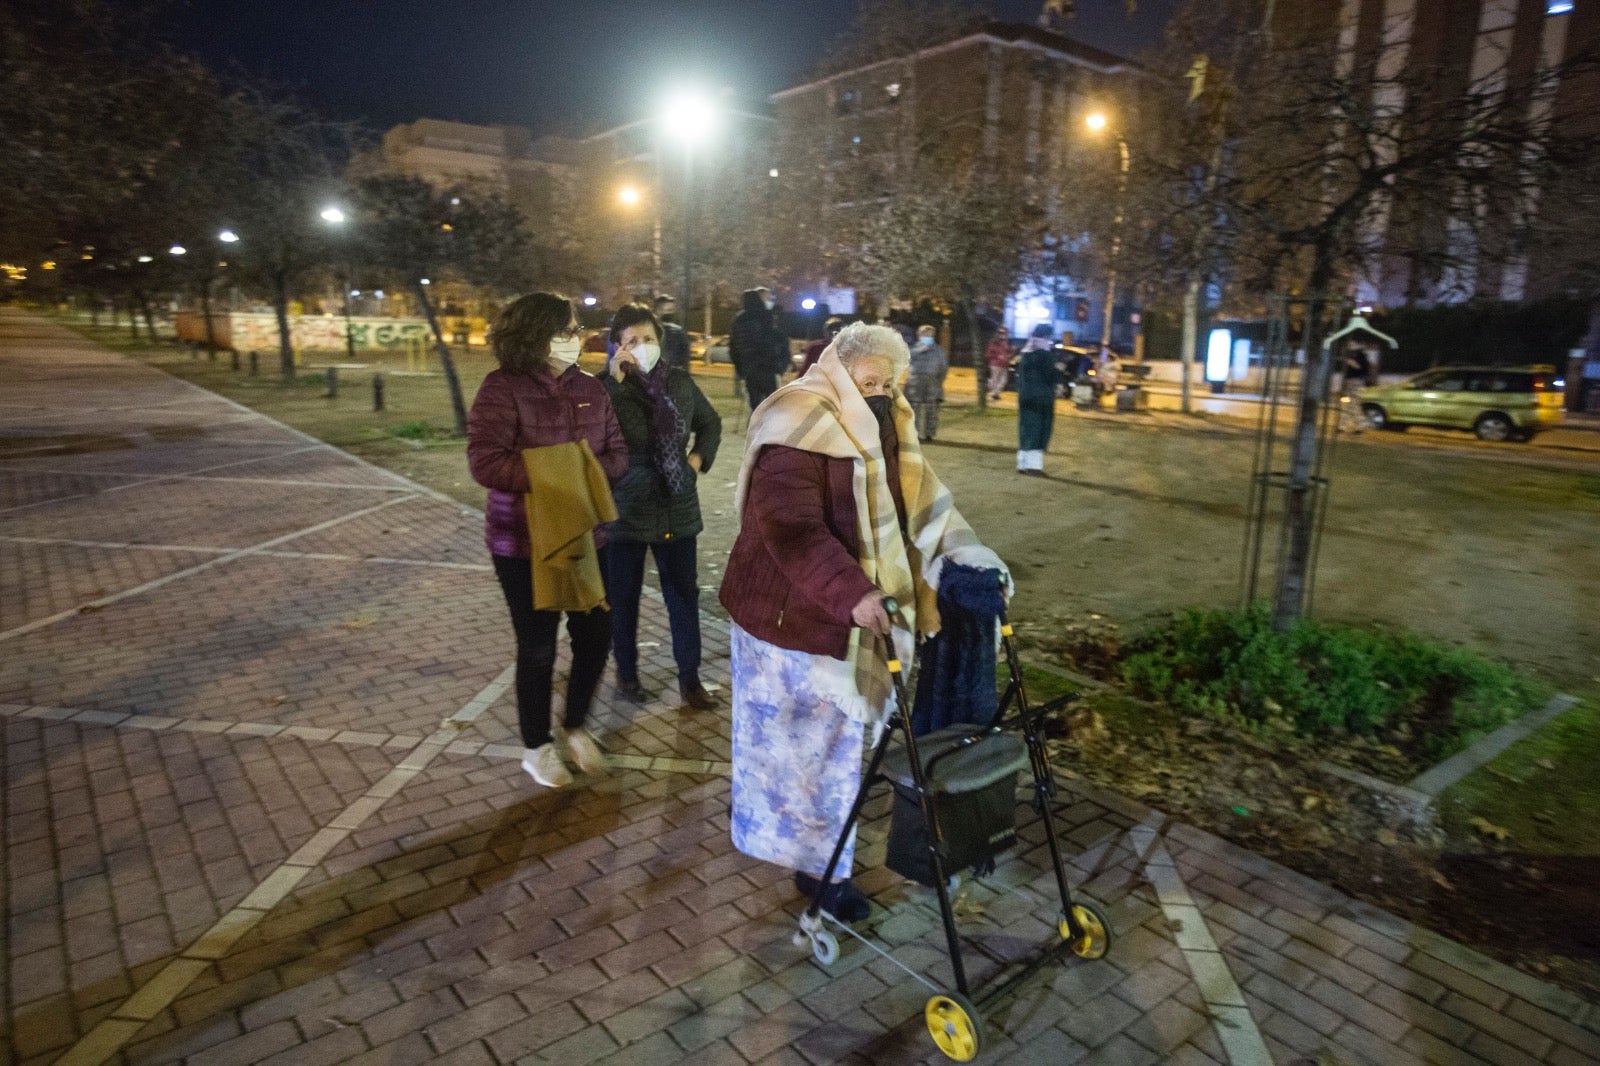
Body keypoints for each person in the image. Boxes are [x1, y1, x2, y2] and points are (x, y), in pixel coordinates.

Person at [720, 322, 1008, 920]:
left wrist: (967, 553)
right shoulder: (797, 419)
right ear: (836, 367)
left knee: (836, 753)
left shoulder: (889, 420)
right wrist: (851, 592)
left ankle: (818, 857)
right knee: (800, 755)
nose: (879, 391)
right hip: (791, 621)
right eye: (867, 379)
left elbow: (923, 499)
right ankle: (820, 872)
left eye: (888, 382)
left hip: (852, 612)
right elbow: (789, 528)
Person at [468, 293, 624, 788]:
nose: (576, 338)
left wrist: (587, 475)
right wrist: (560, 472)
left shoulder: (592, 389)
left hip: (586, 534)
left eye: (577, 329)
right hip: (522, 542)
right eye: (567, 329)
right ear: (535, 334)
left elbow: (617, 452)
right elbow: (485, 462)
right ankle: (536, 747)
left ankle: (575, 726)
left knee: (596, 635)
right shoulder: (501, 389)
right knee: (537, 647)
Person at [602, 303, 723, 710]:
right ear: (617, 347)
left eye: (648, 339)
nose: (642, 347)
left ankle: (690, 680)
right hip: (626, 507)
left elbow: (710, 423)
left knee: (683, 596)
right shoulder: (605, 389)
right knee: (623, 598)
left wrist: (695, 461)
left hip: (677, 504)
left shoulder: (680, 382)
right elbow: (602, 437)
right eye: (632, 341)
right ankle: (627, 674)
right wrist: (616, 383)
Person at [730, 287, 787, 409]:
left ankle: (756, 426)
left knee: (755, 406)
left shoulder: (739, 319)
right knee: (771, 404)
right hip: (767, 366)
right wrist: (780, 363)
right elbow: (776, 338)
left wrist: (740, 369)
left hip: (749, 367)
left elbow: (734, 347)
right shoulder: (766, 316)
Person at [1015, 324, 1061, 475]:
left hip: (1025, 397)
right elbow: (1050, 376)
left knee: (1026, 429)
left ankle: (1022, 464)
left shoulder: (1026, 353)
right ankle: (1034, 467)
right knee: (1038, 430)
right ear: (1046, 337)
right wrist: (1060, 371)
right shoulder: (1044, 355)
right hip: (1041, 399)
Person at [905, 324, 948, 441]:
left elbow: (943, 368)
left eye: (930, 334)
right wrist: (920, 349)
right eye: (924, 334)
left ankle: (930, 434)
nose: (927, 336)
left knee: (932, 409)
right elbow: (905, 362)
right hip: (915, 384)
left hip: (932, 383)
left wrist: (939, 381)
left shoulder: (939, 350)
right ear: (919, 335)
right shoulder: (912, 349)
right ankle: (914, 434)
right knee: (914, 409)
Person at [653, 294, 692, 369]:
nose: (670, 313)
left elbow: (685, 357)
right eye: (668, 310)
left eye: (672, 310)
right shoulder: (649, 331)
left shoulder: (678, 332)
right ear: (658, 311)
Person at [984, 325, 1012, 401]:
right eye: (1001, 332)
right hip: (995, 364)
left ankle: (994, 393)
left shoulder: (1007, 342)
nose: (1003, 334)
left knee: (1003, 380)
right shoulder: (993, 342)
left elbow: (1008, 352)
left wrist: (1010, 353)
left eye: (1005, 333)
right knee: (995, 379)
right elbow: (988, 354)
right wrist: (997, 356)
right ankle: (993, 393)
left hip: (1004, 364)